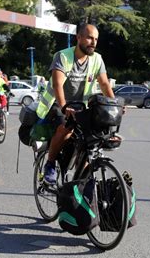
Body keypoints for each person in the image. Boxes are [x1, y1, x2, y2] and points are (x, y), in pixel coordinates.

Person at [36, 23, 115, 185]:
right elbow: (57, 85)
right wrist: (64, 106)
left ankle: (81, 180)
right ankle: (50, 164)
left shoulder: (97, 59)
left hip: (81, 106)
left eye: (96, 39)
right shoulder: (63, 56)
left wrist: (113, 104)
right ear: (78, 37)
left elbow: (105, 84)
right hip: (58, 103)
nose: (93, 42)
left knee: (92, 139)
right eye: (89, 38)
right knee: (66, 127)